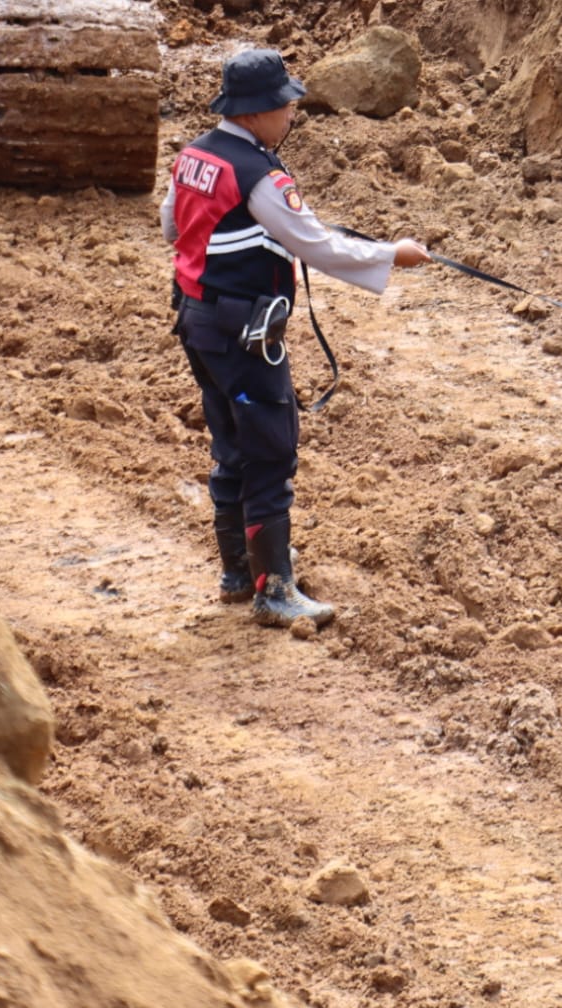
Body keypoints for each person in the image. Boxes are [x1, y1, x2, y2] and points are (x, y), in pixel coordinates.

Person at [161, 49, 431, 628]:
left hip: (198, 323)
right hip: (242, 333)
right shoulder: (260, 173)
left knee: (231, 442)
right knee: (270, 449)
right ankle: (274, 589)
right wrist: (393, 255)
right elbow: (319, 247)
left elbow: (172, 226)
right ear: (258, 111)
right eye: (286, 105)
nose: (292, 113)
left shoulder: (195, 157)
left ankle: (238, 570)